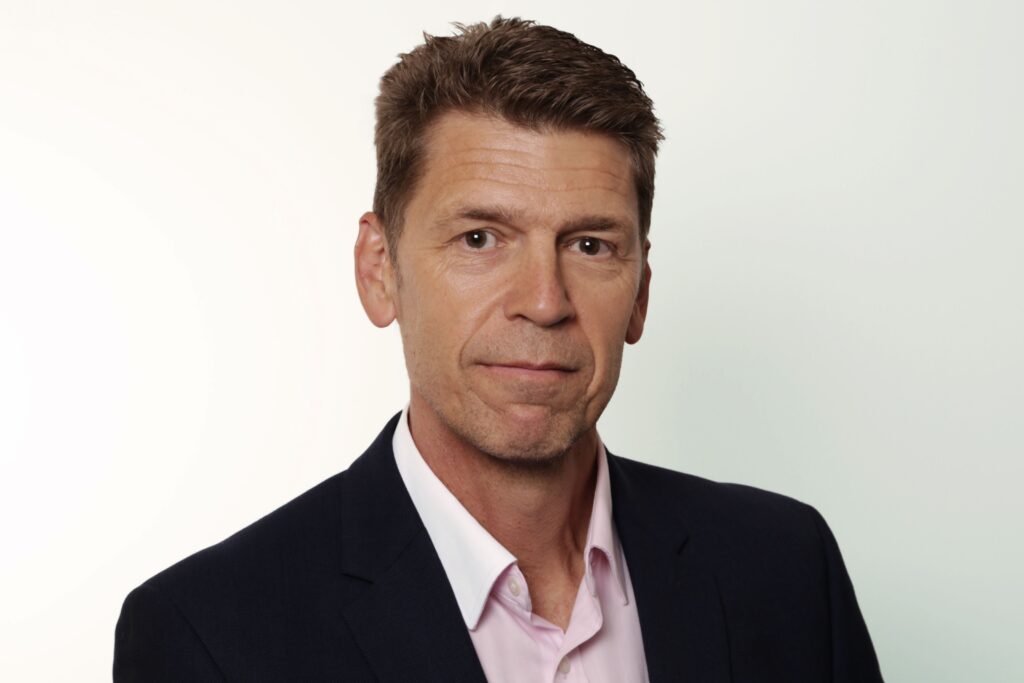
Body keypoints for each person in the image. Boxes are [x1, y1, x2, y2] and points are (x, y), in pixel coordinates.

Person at [113, 17, 883, 682]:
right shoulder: (207, 633)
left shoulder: (785, 568)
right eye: (480, 238)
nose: (544, 301)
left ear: (641, 292)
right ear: (379, 271)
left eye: (590, 244)